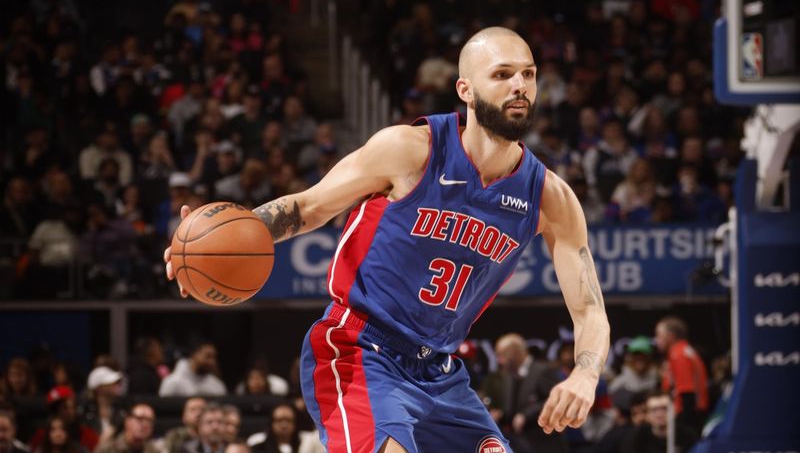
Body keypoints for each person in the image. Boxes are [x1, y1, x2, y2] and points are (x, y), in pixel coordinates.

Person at [164, 26, 611, 452]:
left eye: (528, 74)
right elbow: (307, 207)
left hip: (440, 373)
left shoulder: (550, 197)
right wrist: (215, 242)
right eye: (502, 74)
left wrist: (585, 375)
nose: (520, 85)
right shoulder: (410, 149)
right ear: (465, 90)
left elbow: (589, 307)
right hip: (359, 349)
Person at [479, 333, 566, 453]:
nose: (499, 361)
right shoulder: (509, 376)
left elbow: (555, 400)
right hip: (519, 444)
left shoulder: (543, 371)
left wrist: (526, 415)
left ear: (515, 353)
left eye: (501, 355)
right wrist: (501, 415)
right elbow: (513, 410)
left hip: (544, 442)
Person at [654, 316, 709, 433]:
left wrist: (683, 428)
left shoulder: (679, 355)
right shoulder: (685, 350)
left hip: (685, 418)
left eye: (659, 335)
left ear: (670, 336)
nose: (656, 340)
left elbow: (686, 393)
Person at [158, 343, 226, 397]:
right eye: (208, 356)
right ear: (194, 354)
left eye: (214, 357)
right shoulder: (173, 382)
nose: (212, 362)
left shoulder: (217, 384)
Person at [94, 403, 158, 453]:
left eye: (149, 421)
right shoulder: (108, 449)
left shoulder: (154, 451)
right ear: (127, 421)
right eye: (140, 419)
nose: (145, 424)